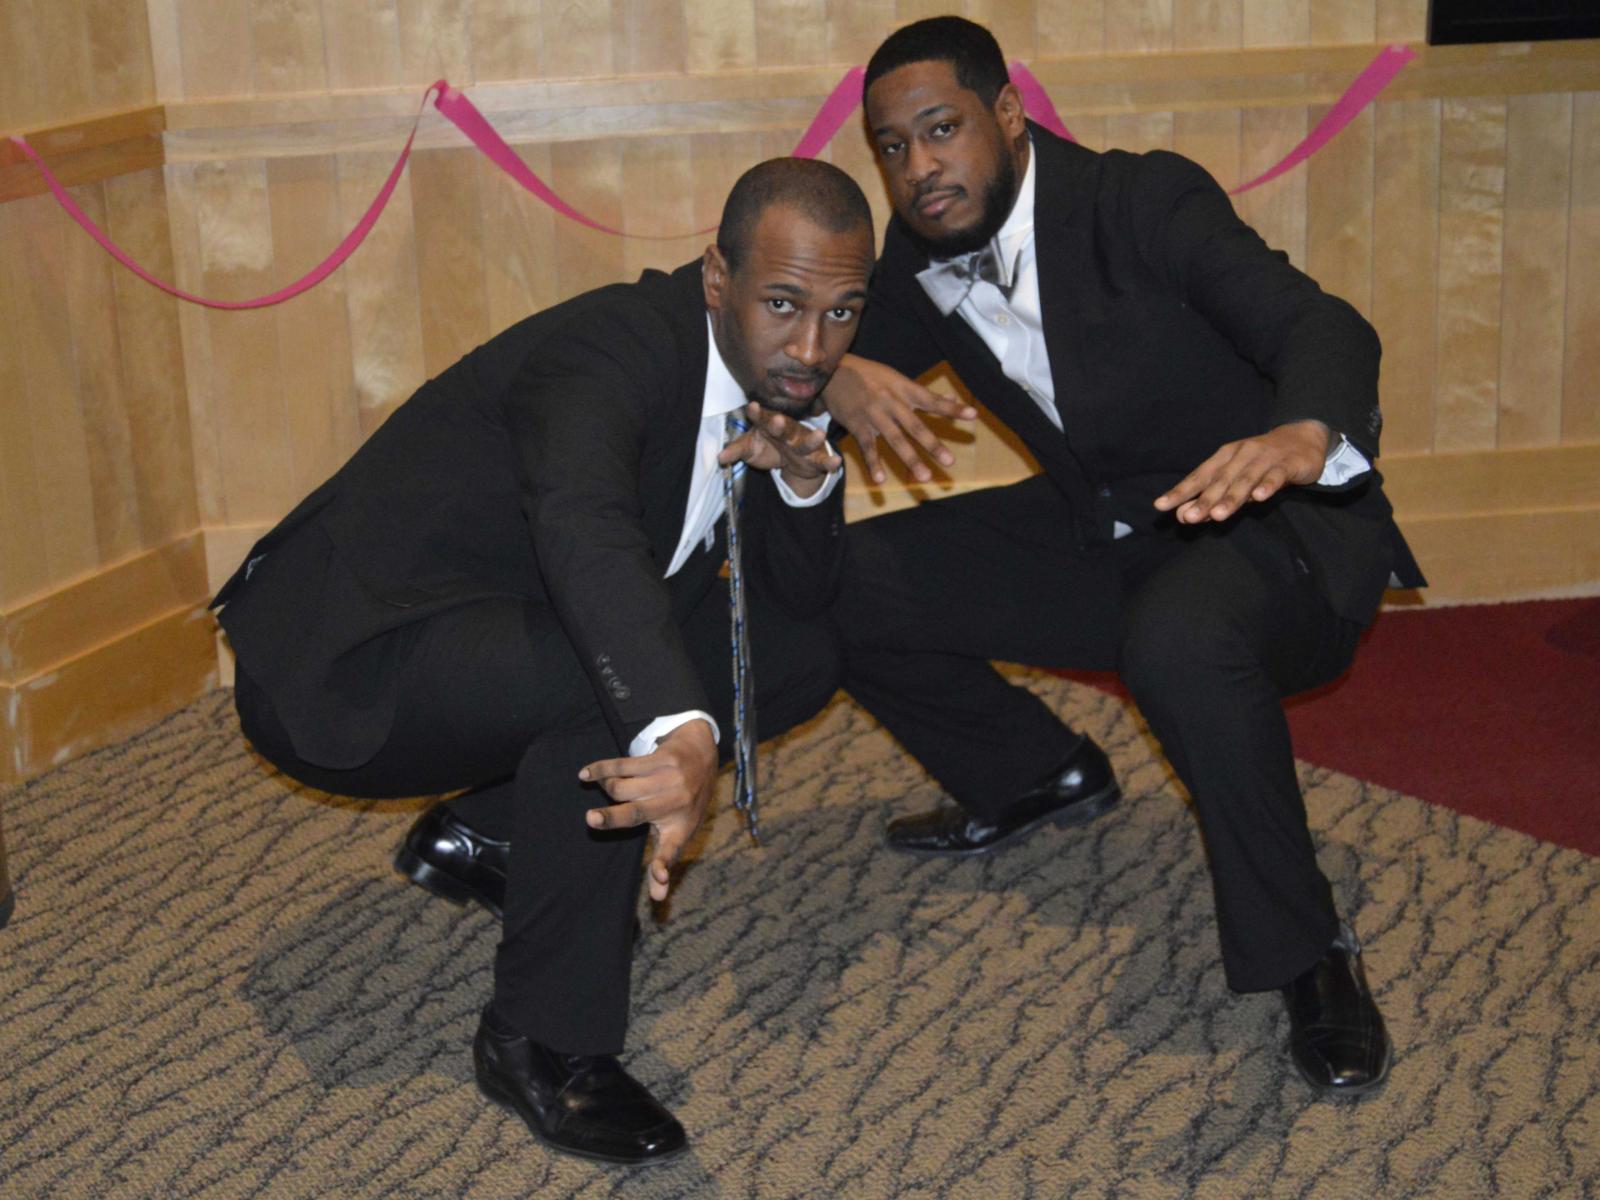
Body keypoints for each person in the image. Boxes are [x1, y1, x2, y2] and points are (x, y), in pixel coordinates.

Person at [213, 158, 876, 1163]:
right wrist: (678, 730)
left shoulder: (772, 384)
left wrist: (805, 476)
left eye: (841, 314)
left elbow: (793, 602)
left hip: (493, 630)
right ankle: (542, 1039)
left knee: (794, 657)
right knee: (619, 683)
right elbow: (585, 533)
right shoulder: (605, 354)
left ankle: (488, 838)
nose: (811, 346)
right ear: (715, 277)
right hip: (349, 658)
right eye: (784, 303)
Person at [821, 17, 1425, 1098]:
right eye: (892, 147)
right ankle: (1032, 777)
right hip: (1104, 531)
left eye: (941, 130)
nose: (918, 167)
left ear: (1007, 116)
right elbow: (806, 345)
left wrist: (1303, 436)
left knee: (1180, 643)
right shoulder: (917, 255)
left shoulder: (1140, 202)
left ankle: (1308, 958)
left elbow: (1318, 323)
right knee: (844, 580)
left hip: (1261, 534)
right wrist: (832, 379)